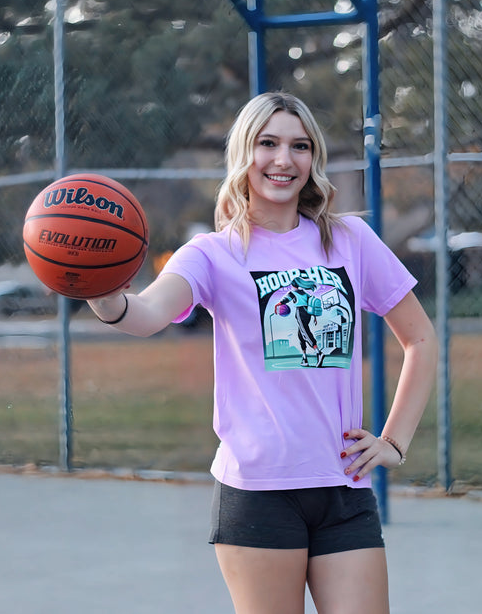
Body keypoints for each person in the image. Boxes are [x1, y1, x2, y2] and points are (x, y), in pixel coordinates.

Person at [88, 92, 438, 614]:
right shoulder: (212, 253)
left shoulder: (352, 240)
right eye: (267, 143)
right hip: (257, 491)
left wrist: (394, 442)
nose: (283, 159)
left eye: (299, 146)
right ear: (243, 154)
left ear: (313, 158)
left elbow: (421, 339)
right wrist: (101, 291)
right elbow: (145, 315)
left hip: (343, 487)